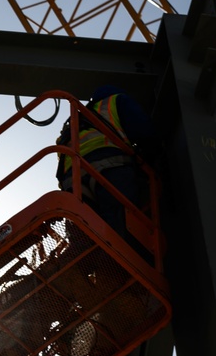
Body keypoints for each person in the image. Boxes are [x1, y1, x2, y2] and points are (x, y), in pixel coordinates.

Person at [56, 84, 159, 245]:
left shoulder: (74, 120)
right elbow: (145, 133)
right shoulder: (116, 101)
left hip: (72, 179)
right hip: (109, 167)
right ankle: (120, 264)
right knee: (120, 227)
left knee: (83, 235)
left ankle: (81, 266)